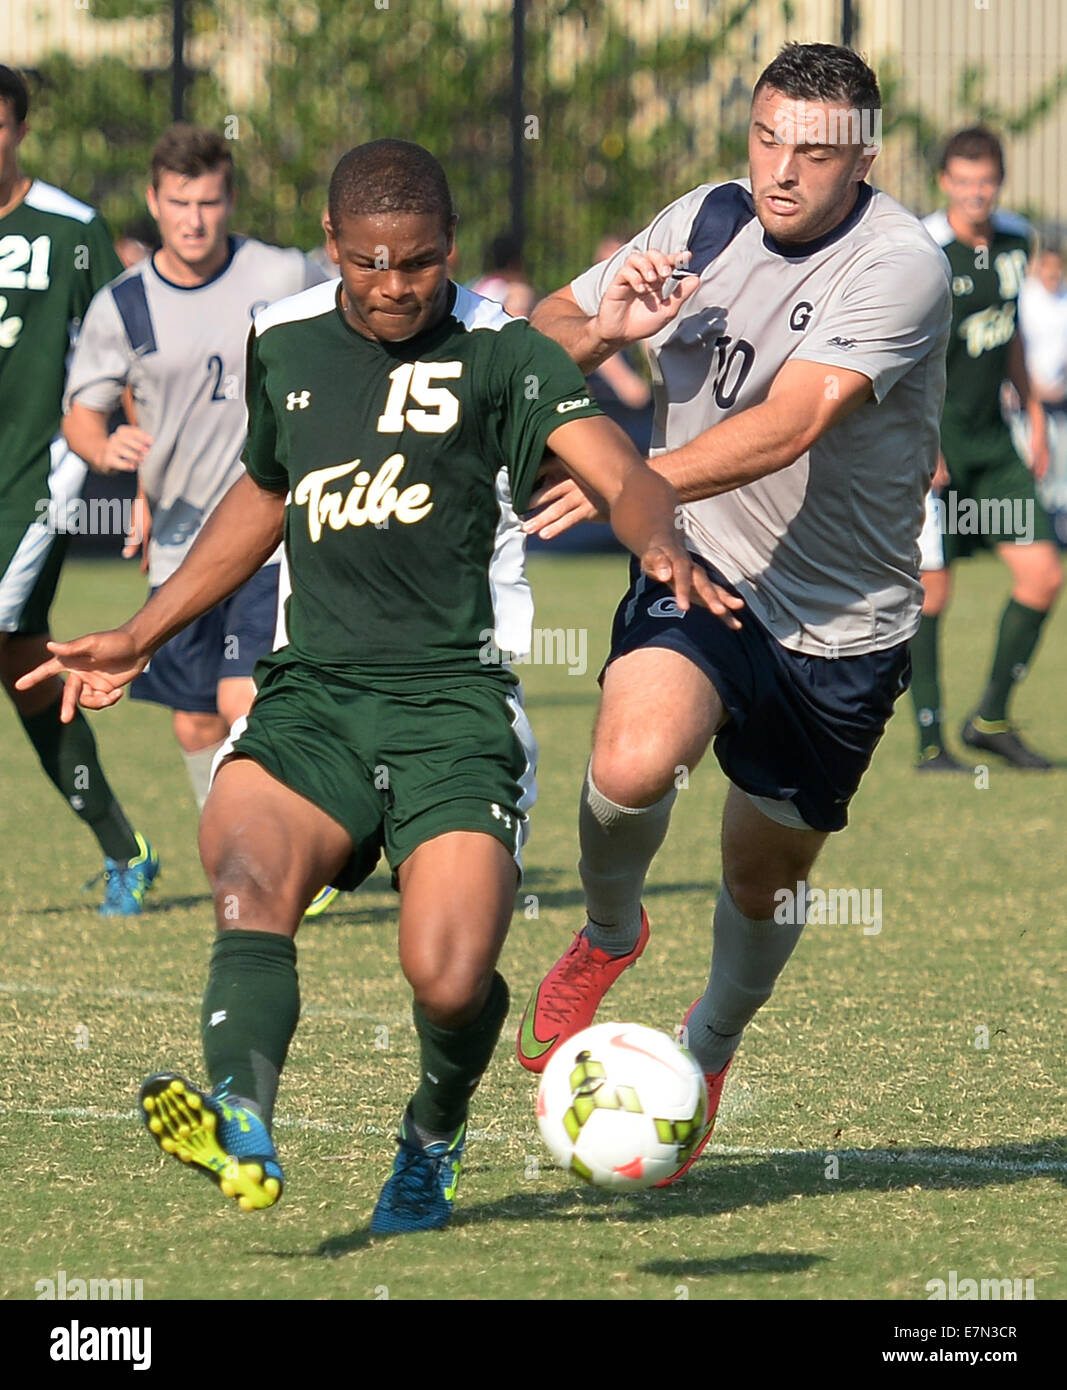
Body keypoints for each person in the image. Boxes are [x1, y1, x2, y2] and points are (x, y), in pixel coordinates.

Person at [17, 138, 719, 1233]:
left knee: (447, 979)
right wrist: (143, 630)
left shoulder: (505, 353)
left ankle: (431, 1134)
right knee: (244, 866)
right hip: (313, 697)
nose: (393, 289)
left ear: (447, 249)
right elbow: (263, 494)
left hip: (454, 708)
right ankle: (241, 1113)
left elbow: (615, 468)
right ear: (333, 247)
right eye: (369, 265)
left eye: (419, 264)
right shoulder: (284, 337)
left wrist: (657, 537)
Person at [516, 42, 952, 1182]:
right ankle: (611, 931)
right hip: (705, 569)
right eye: (765, 139)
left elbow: (792, 419)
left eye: (812, 151)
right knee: (629, 762)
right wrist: (605, 324)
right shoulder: (706, 218)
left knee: (762, 876)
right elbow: (539, 340)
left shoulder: (898, 263)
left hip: (841, 627)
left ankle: (704, 1050)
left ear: (863, 158)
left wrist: (642, 480)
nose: (779, 171)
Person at [62, 124, 328, 821]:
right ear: (154, 202)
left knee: (245, 696)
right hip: (179, 542)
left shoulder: (281, 275)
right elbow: (81, 414)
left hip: (271, 530)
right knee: (194, 722)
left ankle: (293, 847)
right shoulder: (121, 305)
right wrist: (102, 451)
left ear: (230, 199)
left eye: (208, 202)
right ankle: (240, 845)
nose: (194, 219)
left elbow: (357, 314)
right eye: (180, 202)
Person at [0, 64, 157, 916]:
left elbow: (123, 352)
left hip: (38, 477)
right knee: (22, 667)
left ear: (20, 126)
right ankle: (123, 846)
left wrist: (144, 477)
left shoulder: (71, 230)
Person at [911, 127, 1062, 771]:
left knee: (1042, 575)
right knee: (933, 594)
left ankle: (991, 719)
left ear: (999, 182)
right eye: (963, 181)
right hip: (933, 445)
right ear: (945, 182)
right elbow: (905, 355)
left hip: (995, 446)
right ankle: (928, 742)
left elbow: (1013, 337)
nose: (976, 194)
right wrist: (922, 442)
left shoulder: (1016, 238)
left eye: (987, 181)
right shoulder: (923, 249)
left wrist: (1030, 413)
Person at [1018, 244, 1067, 543]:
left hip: (1060, 397)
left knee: (1060, 467)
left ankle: (1056, 531)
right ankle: (1028, 531)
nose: (1053, 274)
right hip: (1027, 397)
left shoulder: (1063, 300)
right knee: (1031, 462)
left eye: (1058, 268)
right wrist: (1030, 386)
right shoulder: (1027, 300)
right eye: (1047, 268)